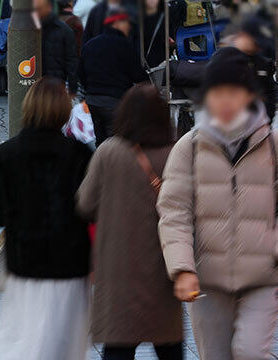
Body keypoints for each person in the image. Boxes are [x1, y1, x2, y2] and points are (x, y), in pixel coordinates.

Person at [157, 48, 278, 360]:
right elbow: (174, 211)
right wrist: (182, 268)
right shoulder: (188, 148)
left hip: (262, 276)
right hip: (208, 281)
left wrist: (277, 249)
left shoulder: (277, 147)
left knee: (250, 353)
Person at [0, 78, 92, 360]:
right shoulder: (79, 155)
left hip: (24, 264)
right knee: (64, 344)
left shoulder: (6, 154)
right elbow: (91, 209)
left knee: (21, 338)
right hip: (70, 265)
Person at [76, 84, 182, 360]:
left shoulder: (108, 152)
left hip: (118, 267)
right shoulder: (176, 153)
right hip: (164, 264)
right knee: (168, 343)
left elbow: (85, 204)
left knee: (119, 345)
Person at [80, 8, 147, 146]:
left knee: (101, 141)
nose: (129, 27)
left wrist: (91, 90)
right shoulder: (125, 46)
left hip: (93, 100)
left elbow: (80, 73)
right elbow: (137, 75)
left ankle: (99, 166)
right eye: (127, 23)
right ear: (118, 23)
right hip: (115, 101)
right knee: (117, 144)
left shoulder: (90, 45)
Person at [233, 14, 278, 121]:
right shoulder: (227, 60)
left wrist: (268, 116)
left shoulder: (263, 63)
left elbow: (271, 90)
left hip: (260, 122)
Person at [33, 0, 79, 96]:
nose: (36, 11)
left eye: (39, 9)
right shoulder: (29, 29)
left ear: (49, 7)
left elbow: (72, 62)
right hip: (33, 84)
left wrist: (72, 88)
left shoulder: (64, 31)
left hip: (56, 86)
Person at [134, 0, 167, 68]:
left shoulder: (165, 17)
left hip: (161, 61)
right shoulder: (137, 19)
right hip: (142, 62)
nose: (152, 1)